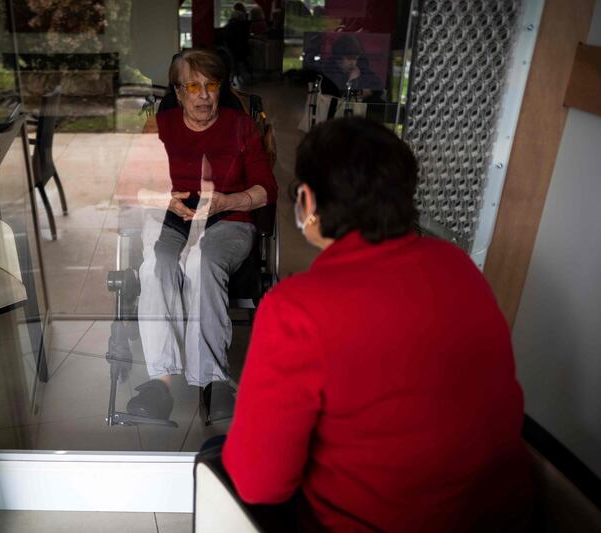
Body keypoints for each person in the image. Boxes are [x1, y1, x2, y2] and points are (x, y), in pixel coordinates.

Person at [222, 118, 534, 530]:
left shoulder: (297, 309)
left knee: (219, 457)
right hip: (503, 516)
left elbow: (260, 483)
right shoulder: (457, 265)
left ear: (309, 203)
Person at [127, 49, 277, 422]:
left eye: (211, 85)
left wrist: (230, 200)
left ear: (221, 88)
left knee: (201, 261)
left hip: (229, 216)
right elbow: (129, 187)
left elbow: (266, 188)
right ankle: (159, 382)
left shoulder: (240, 125)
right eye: (193, 86)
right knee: (157, 266)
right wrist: (163, 198)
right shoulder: (159, 126)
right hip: (172, 214)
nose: (204, 95)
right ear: (178, 92)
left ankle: (212, 380)